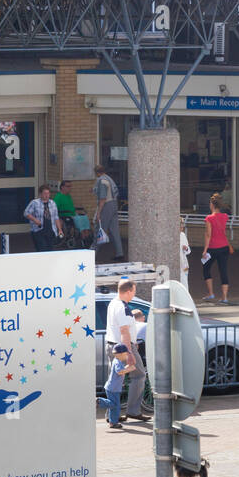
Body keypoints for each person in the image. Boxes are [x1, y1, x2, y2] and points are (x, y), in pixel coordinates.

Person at [106, 278, 151, 422]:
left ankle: (112, 414)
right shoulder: (123, 308)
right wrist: (130, 352)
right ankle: (133, 410)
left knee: (115, 380)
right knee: (139, 375)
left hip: (112, 345)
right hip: (123, 347)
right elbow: (124, 331)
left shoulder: (113, 303)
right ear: (128, 291)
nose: (134, 294)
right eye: (134, 291)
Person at [201, 192, 231, 304]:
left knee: (206, 268)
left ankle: (210, 293)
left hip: (213, 248)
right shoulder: (225, 216)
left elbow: (208, 235)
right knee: (223, 270)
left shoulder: (209, 218)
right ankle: (224, 297)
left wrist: (205, 250)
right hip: (224, 247)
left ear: (212, 205)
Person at [93, 165, 123, 259]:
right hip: (114, 204)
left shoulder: (101, 181)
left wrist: (98, 213)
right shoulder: (109, 179)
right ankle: (120, 253)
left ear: (97, 173)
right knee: (115, 231)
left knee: (100, 229)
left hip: (106, 206)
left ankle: (92, 253)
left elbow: (103, 198)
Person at [104, 343, 135, 429]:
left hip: (113, 388)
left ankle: (113, 420)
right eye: (125, 354)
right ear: (119, 354)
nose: (126, 356)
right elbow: (120, 372)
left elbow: (121, 370)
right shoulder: (117, 362)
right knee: (114, 405)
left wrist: (127, 366)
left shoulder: (117, 361)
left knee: (115, 405)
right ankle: (99, 402)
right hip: (113, 388)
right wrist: (130, 369)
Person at [24, 184, 63, 252]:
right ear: (40, 194)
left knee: (50, 249)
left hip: (50, 229)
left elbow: (56, 217)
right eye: (45, 193)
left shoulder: (52, 203)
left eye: (48, 193)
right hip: (38, 230)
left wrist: (60, 230)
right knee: (42, 249)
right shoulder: (35, 203)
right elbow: (26, 213)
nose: (47, 195)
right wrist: (35, 220)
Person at [180, 218, 191, 291]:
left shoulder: (183, 235)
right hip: (176, 262)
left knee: (184, 283)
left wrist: (186, 249)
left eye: (182, 226)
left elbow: (189, 251)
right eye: (180, 226)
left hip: (183, 263)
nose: (182, 228)